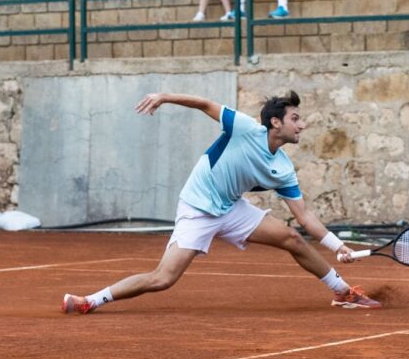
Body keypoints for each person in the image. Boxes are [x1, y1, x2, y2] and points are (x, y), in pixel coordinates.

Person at [62, 90, 381, 315]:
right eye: (295, 118)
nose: (302, 125)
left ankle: (342, 291)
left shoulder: (283, 168)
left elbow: (304, 215)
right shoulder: (243, 128)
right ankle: (91, 300)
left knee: (292, 238)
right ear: (275, 123)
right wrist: (164, 96)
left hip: (231, 207)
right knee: (163, 279)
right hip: (197, 207)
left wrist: (337, 245)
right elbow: (204, 104)